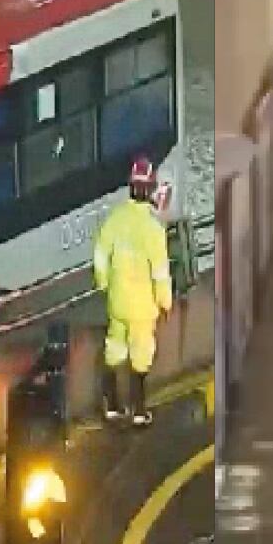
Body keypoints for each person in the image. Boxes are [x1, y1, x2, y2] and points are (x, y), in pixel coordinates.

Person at [94, 157, 173, 426]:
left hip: (117, 302)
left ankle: (111, 405)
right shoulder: (153, 229)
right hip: (142, 307)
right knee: (141, 356)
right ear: (150, 189)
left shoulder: (115, 219)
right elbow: (160, 272)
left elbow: (101, 255)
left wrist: (104, 283)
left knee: (114, 349)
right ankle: (138, 410)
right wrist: (166, 302)